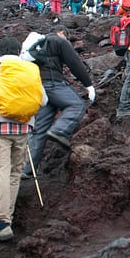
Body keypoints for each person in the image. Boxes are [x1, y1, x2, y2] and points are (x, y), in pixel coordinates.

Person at [0, 37, 47, 242]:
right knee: (15, 173)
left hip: (0, 127)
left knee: (1, 170)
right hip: (24, 127)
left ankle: (0, 222)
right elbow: (43, 100)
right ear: (18, 51)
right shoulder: (29, 68)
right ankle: (8, 217)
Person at [21, 25, 95, 181]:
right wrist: (88, 84)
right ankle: (60, 130)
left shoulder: (36, 46)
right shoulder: (58, 41)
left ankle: (28, 169)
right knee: (77, 105)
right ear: (61, 33)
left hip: (37, 88)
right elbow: (74, 63)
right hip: (53, 84)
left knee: (39, 129)